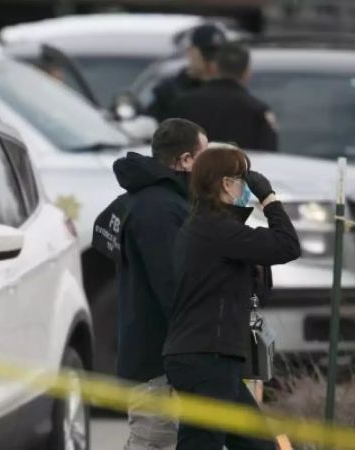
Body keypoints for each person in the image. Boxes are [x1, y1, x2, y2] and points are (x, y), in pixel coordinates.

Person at [163, 145, 301, 450]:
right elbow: (288, 245)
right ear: (226, 183)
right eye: (244, 179)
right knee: (201, 444)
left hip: (208, 357)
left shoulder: (207, 228)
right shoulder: (215, 230)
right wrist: (270, 199)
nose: (248, 187)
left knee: (258, 445)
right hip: (207, 358)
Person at [113, 118, 208, 450]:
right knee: (154, 441)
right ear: (184, 160)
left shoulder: (163, 201)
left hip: (166, 355)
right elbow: (173, 287)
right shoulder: (159, 209)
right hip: (159, 359)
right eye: (203, 156)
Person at [168, 42, 279, 151]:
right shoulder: (257, 111)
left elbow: (169, 149)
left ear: (215, 67)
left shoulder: (184, 104)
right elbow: (269, 153)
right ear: (246, 73)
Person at [145, 24, 226, 121]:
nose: (212, 60)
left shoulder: (228, 92)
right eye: (207, 53)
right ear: (190, 52)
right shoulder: (169, 92)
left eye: (218, 54)